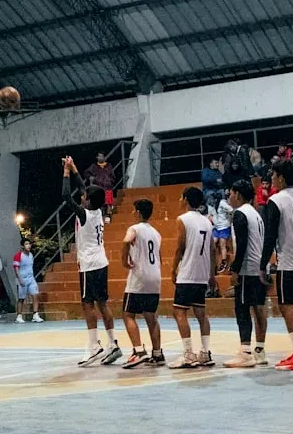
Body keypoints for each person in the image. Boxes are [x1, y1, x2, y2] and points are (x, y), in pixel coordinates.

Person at [63, 156, 122, 366]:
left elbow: (65, 197)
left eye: (84, 195)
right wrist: (74, 166)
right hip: (101, 262)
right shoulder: (97, 210)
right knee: (102, 303)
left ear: (87, 200)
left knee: (87, 304)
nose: (82, 195)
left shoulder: (84, 214)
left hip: (89, 265)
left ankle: (93, 345)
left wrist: (66, 172)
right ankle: (113, 342)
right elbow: (84, 188)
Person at [260, 159, 293, 371]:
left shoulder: (276, 201)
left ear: (281, 177)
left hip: (289, 260)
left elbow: (271, 236)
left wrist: (263, 264)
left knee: (286, 305)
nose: (271, 179)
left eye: (273, 175)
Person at [169, 187, 216, 369]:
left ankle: (189, 354)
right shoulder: (207, 222)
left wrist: (173, 269)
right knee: (201, 313)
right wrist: (212, 275)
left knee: (179, 311)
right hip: (202, 273)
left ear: (186, 199)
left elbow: (180, 247)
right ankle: (204, 352)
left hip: (188, 272)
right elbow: (212, 249)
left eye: (181, 197)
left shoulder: (183, 219)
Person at [225, 180, 269, 368]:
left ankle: (245, 351)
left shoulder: (240, 214)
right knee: (259, 308)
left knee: (242, 309)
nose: (229, 197)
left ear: (238, 195)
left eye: (231, 193)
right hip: (259, 266)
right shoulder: (256, 214)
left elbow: (241, 244)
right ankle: (260, 350)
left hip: (248, 269)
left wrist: (234, 268)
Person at [120, 199, 164, 369]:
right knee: (151, 316)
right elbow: (159, 257)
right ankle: (158, 353)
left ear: (138, 212)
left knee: (128, 314)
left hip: (139, 277)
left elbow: (126, 241)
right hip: (155, 277)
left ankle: (138, 351)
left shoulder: (134, 229)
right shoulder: (156, 233)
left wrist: (124, 260)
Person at [13, 239, 43, 324]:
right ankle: (19, 316)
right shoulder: (18, 255)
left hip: (31, 278)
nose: (29, 245)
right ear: (22, 246)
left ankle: (35, 314)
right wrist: (20, 279)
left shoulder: (31, 255)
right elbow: (16, 268)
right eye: (26, 244)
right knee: (21, 298)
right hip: (22, 279)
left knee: (35, 295)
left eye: (29, 244)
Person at [84, 152, 115, 223]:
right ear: (97, 157)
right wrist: (91, 177)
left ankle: (108, 217)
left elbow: (113, 175)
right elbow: (86, 173)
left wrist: (110, 180)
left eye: (102, 156)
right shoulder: (94, 166)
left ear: (104, 157)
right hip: (99, 188)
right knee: (99, 203)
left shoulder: (109, 166)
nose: (101, 158)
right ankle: (100, 218)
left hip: (108, 187)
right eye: (99, 156)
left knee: (108, 203)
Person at [213, 191, 234, 273]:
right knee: (213, 242)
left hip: (224, 227)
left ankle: (223, 262)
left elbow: (232, 210)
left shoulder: (224, 203)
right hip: (216, 227)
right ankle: (213, 264)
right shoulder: (219, 204)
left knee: (222, 244)